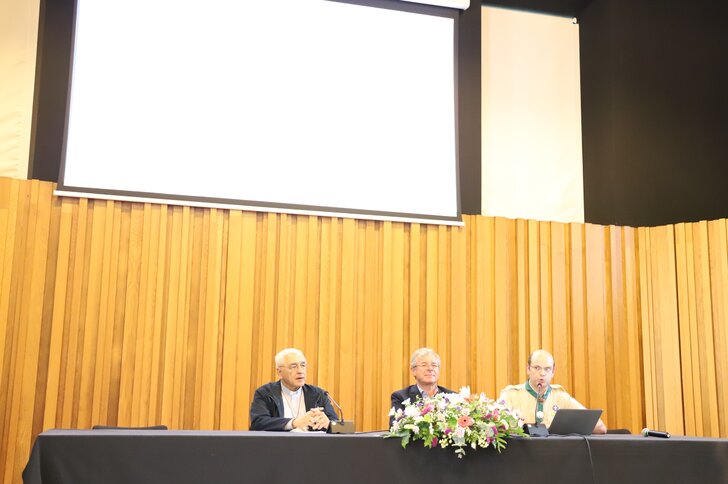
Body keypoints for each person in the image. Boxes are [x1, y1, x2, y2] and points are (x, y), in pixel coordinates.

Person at [498, 349, 607, 434]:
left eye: (547, 369)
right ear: (528, 368)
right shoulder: (511, 395)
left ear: (553, 372)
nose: (542, 373)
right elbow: (496, 426)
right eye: (537, 368)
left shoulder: (561, 397)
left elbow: (600, 427)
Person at [250, 348, 338, 431]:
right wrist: (294, 423)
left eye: (303, 365)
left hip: (312, 442)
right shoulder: (266, 393)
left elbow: (340, 427)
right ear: (279, 372)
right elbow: (258, 423)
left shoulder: (318, 394)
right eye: (293, 366)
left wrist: (329, 424)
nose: (300, 371)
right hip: (278, 442)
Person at [390, 348, 453, 425]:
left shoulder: (452, 397)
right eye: (424, 365)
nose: (430, 369)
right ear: (414, 371)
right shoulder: (401, 397)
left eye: (434, 365)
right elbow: (395, 427)